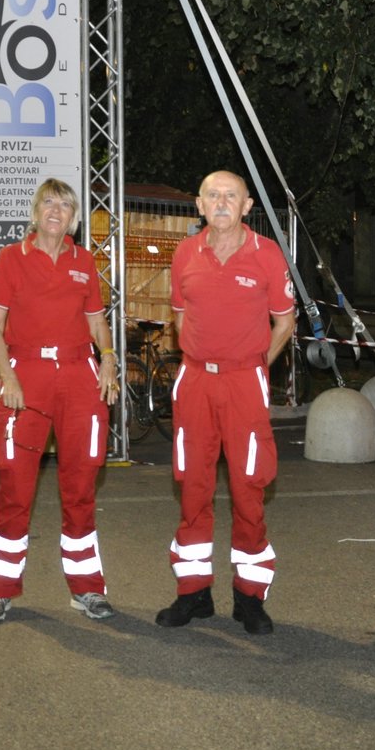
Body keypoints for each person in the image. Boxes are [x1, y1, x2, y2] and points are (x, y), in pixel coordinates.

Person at [156, 170, 296, 635]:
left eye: (230, 196)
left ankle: (249, 598)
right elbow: (178, 317)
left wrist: (257, 363)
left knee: (248, 488)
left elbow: (285, 322)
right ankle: (193, 594)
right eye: (212, 196)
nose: (220, 203)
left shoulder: (268, 254)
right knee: (192, 486)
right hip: (194, 381)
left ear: (247, 205)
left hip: (243, 385)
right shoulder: (184, 253)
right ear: (198, 205)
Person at [0, 179, 118, 624]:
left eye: (65, 205)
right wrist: (10, 378)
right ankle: (1, 591)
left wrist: (110, 360)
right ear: (36, 212)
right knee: (16, 486)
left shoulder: (84, 261)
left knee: (80, 486)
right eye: (49, 203)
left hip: (80, 375)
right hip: (28, 376)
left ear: (74, 217)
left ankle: (87, 589)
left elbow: (97, 323)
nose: (56, 211)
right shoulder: (12, 259)